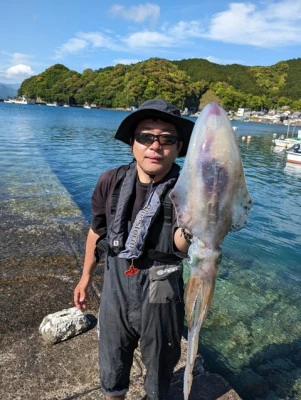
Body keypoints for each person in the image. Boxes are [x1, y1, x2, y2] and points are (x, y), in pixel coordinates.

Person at [74, 98, 195, 400]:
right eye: (146, 137)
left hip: (162, 285)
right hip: (116, 282)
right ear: (132, 142)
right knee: (111, 365)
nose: (156, 146)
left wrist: (196, 225)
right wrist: (85, 277)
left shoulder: (189, 189)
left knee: (159, 371)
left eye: (167, 139)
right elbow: (97, 231)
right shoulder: (110, 181)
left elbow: (180, 245)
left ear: (179, 147)